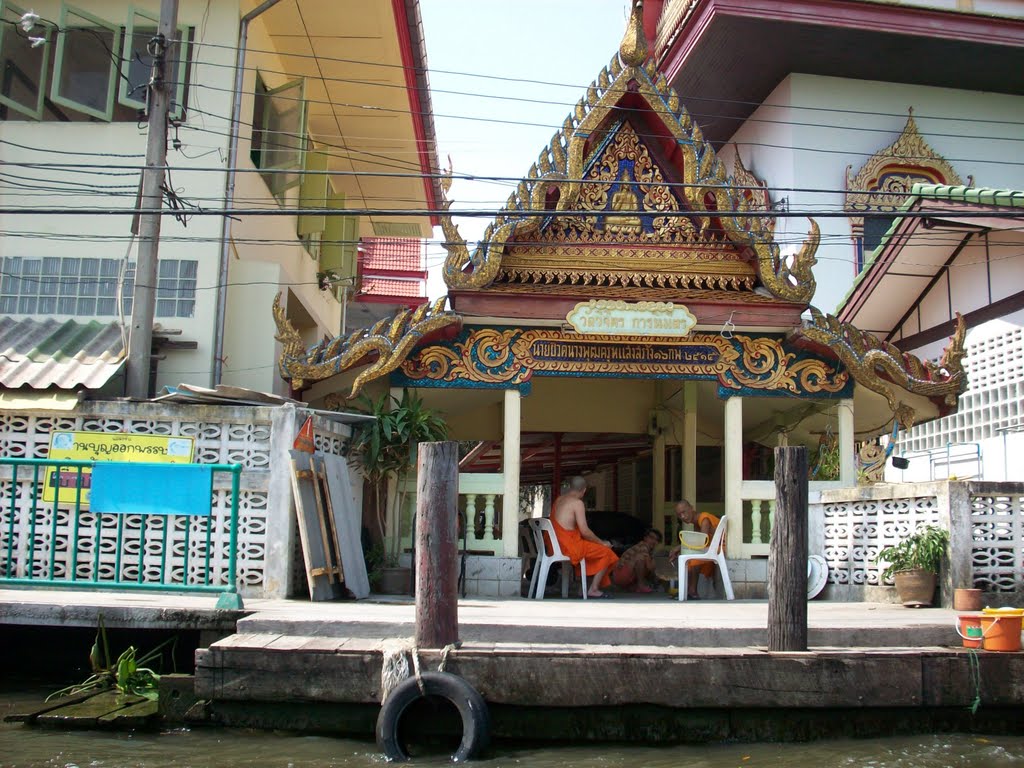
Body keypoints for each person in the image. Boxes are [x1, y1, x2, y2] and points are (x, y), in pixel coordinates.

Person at [550, 475, 619, 598]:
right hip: (569, 547)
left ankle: (583, 588)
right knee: (607, 552)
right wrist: (601, 543)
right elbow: (585, 531)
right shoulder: (577, 503)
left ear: (571, 487)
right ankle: (593, 589)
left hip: (555, 544)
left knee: (591, 551)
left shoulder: (559, 499)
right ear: (584, 490)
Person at [668, 500, 720, 599]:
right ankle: (688, 590)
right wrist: (681, 549)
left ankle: (692, 591)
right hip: (710, 549)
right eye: (679, 515)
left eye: (684, 512)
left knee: (692, 557)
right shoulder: (696, 523)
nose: (683, 517)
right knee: (688, 555)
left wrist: (679, 547)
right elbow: (697, 544)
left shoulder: (704, 518)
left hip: (719, 549)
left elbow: (701, 542)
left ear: (691, 508)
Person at [611, 527, 663, 593]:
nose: (654, 541)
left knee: (648, 562)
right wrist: (658, 561)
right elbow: (650, 567)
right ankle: (641, 585)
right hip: (620, 575)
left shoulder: (649, 550)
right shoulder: (643, 546)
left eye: (656, 540)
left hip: (624, 576)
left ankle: (634, 586)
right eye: (651, 538)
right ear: (645, 538)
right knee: (641, 558)